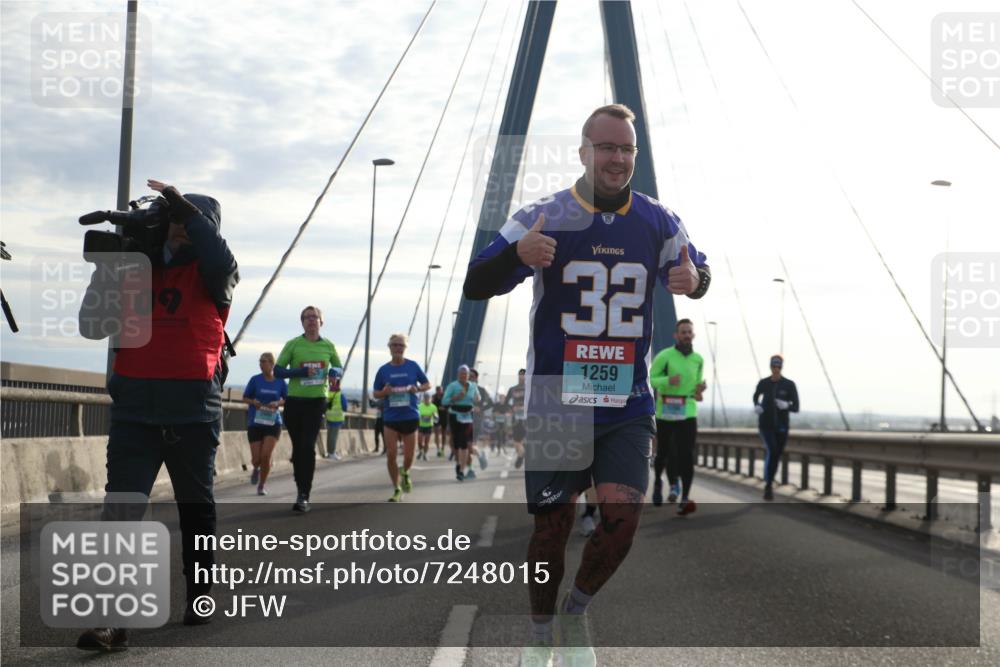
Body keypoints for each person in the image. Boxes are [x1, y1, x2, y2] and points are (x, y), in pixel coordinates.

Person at [463, 103, 710, 665]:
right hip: (558, 402)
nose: (616, 158)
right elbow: (476, 282)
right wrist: (516, 258)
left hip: (627, 403)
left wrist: (695, 281)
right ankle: (540, 628)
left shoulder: (660, 220)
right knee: (552, 529)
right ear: (583, 152)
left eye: (626, 149)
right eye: (606, 147)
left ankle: (575, 613)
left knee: (622, 521)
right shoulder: (543, 214)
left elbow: (701, 271)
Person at [76, 178, 239, 650]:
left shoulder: (216, 275)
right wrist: (111, 264)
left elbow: (217, 254)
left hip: (193, 415)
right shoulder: (133, 269)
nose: (183, 228)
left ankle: (200, 593)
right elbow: (92, 326)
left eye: (193, 222)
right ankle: (112, 620)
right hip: (135, 414)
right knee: (120, 512)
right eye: (175, 220)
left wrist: (186, 208)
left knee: (196, 510)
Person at [275, 306, 342, 513]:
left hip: (316, 402)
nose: (312, 320)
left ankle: (304, 493)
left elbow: (339, 367)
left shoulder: (329, 346)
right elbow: (278, 371)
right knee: (299, 449)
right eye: (307, 317)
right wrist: (301, 371)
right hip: (294, 402)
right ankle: (300, 485)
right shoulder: (293, 344)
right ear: (302, 322)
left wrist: (334, 372)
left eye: (315, 317)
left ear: (322, 322)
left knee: (307, 446)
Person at [649, 319, 706, 514]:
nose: (687, 335)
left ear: (693, 335)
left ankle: (685, 497)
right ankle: (657, 482)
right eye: (683, 332)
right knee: (664, 452)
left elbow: (697, 389)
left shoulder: (698, 359)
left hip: (688, 411)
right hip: (665, 410)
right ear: (676, 335)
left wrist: (700, 389)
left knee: (687, 455)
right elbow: (652, 380)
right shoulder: (664, 356)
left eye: (689, 332)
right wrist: (668, 380)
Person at [372, 334, 431, 502]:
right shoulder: (383, 370)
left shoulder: (413, 366)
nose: (398, 348)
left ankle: (405, 472)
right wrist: (384, 393)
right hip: (390, 417)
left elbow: (428, 384)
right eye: (395, 345)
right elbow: (375, 393)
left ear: (405, 348)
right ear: (389, 347)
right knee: (391, 454)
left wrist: (417, 388)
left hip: (410, 415)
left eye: (401, 345)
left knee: (409, 455)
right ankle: (397, 488)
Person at [753, 354, 800, 500]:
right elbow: (755, 396)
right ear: (770, 366)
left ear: (781, 367)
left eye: (778, 366)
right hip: (765, 425)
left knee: (777, 454)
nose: (776, 368)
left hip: (782, 426)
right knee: (772, 451)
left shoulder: (789, 385)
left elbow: (796, 407)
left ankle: (769, 480)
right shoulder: (764, 383)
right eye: (773, 365)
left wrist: (786, 405)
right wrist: (757, 406)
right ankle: (768, 486)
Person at [243, 352, 287, 495]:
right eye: (260, 361)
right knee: (256, 459)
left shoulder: (280, 382)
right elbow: (245, 397)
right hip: (255, 423)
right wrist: (253, 402)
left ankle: (262, 485)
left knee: (266, 455)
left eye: (264, 361)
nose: (261, 364)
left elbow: (287, 399)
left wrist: (278, 402)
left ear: (272, 364)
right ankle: (256, 468)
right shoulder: (255, 380)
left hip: (273, 423)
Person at [442, 365, 479, 481]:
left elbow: (478, 398)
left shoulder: (473, 386)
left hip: (468, 415)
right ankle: (459, 463)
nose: (464, 376)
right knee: (456, 443)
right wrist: (456, 397)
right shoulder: (453, 386)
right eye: (461, 374)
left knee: (464, 443)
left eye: (466, 374)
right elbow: (444, 401)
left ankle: (462, 470)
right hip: (455, 415)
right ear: (458, 375)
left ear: (468, 375)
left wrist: (476, 399)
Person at [503, 369, 528, 468]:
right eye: (520, 375)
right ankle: (522, 455)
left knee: (522, 440)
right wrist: (511, 409)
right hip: (515, 418)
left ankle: (521, 456)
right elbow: (506, 403)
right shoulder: (512, 389)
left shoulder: (530, 388)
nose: (522, 377)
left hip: (526, 419)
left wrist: (525, 407)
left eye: (524, 375)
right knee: (516, 441)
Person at [469, 368, 492, 472]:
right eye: (468, 376)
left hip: (476, 419)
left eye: (472, 377)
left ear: (477, 378)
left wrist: (480, 408)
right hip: (463, 419)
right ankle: (480, 456)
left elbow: (491, 403)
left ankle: (470, 469)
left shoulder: (481, 390)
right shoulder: (463, 389)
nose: (470, 378)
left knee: (470, 444)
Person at [325, 376, 348, 460]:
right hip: (337, 418)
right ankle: (332, 453)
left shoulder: (328, 393)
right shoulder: (340, 394)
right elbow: (345, 406)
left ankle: (328, 452)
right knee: (334, 436)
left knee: (329, 436)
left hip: (329, 417)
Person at [417, 393, 438, 461]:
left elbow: (436, 418)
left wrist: (434, 416)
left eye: (428, 399)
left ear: (430, 399)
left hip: (429, 426)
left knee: (426, 442)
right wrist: (421, 417)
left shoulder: (433, 407)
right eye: (425, 399)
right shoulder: (419, 406)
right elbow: (417, 415)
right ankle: (421, 451)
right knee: (420, 441)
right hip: (421, 425)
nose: (427, 400)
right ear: (423, 399)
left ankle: (425, 454)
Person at [432, 385, 448, 457]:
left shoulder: (446, 396)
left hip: (445, 415)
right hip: (436, 415)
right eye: (438, 390)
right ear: (436, 391)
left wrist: (445, 408)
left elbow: (449, 404)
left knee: (444, 433)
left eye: (440, 390)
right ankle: (438, 449)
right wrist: (438, 408)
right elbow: (432, 405)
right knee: (437, 432)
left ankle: (443, 448)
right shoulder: (434, 397)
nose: (439, 392)